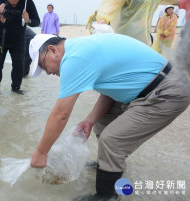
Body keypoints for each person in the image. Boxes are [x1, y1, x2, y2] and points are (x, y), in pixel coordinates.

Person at [28, 34, 190, 200]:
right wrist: (89, 120)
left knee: (112, 140)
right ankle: (108, 166)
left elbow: (60, 114)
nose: (47, 72)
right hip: (148, 87)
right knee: (102, 123)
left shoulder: (74, 58)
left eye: (43, 65)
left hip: (165, 92)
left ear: (53, 50)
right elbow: (111, 90)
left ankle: (107, 195)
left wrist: (41, 152)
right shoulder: (81, 49)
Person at [0, 0, 40, 94]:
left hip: (18, 40)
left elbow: (37, 22)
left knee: (18, 65)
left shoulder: (27, 3)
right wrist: (0, 21)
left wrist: (29, 20)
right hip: (0, 39)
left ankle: (16, 89)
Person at [96, 0, 179, 46]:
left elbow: (177, 1)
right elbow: (111, 4)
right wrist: (102, 20)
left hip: (144, 41)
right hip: (123, 40)